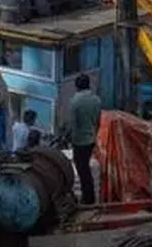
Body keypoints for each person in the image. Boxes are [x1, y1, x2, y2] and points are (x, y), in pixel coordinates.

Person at [66, 75, 102, 205]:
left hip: (79, 141)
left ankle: (88, 198)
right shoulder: (96, 100)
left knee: (82, 170)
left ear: (77, 86)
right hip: (91, 139)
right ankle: (89, 196)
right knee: (85, 167)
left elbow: (73, 125)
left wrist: (71, 139)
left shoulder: (75, 101)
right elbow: (98, 122)